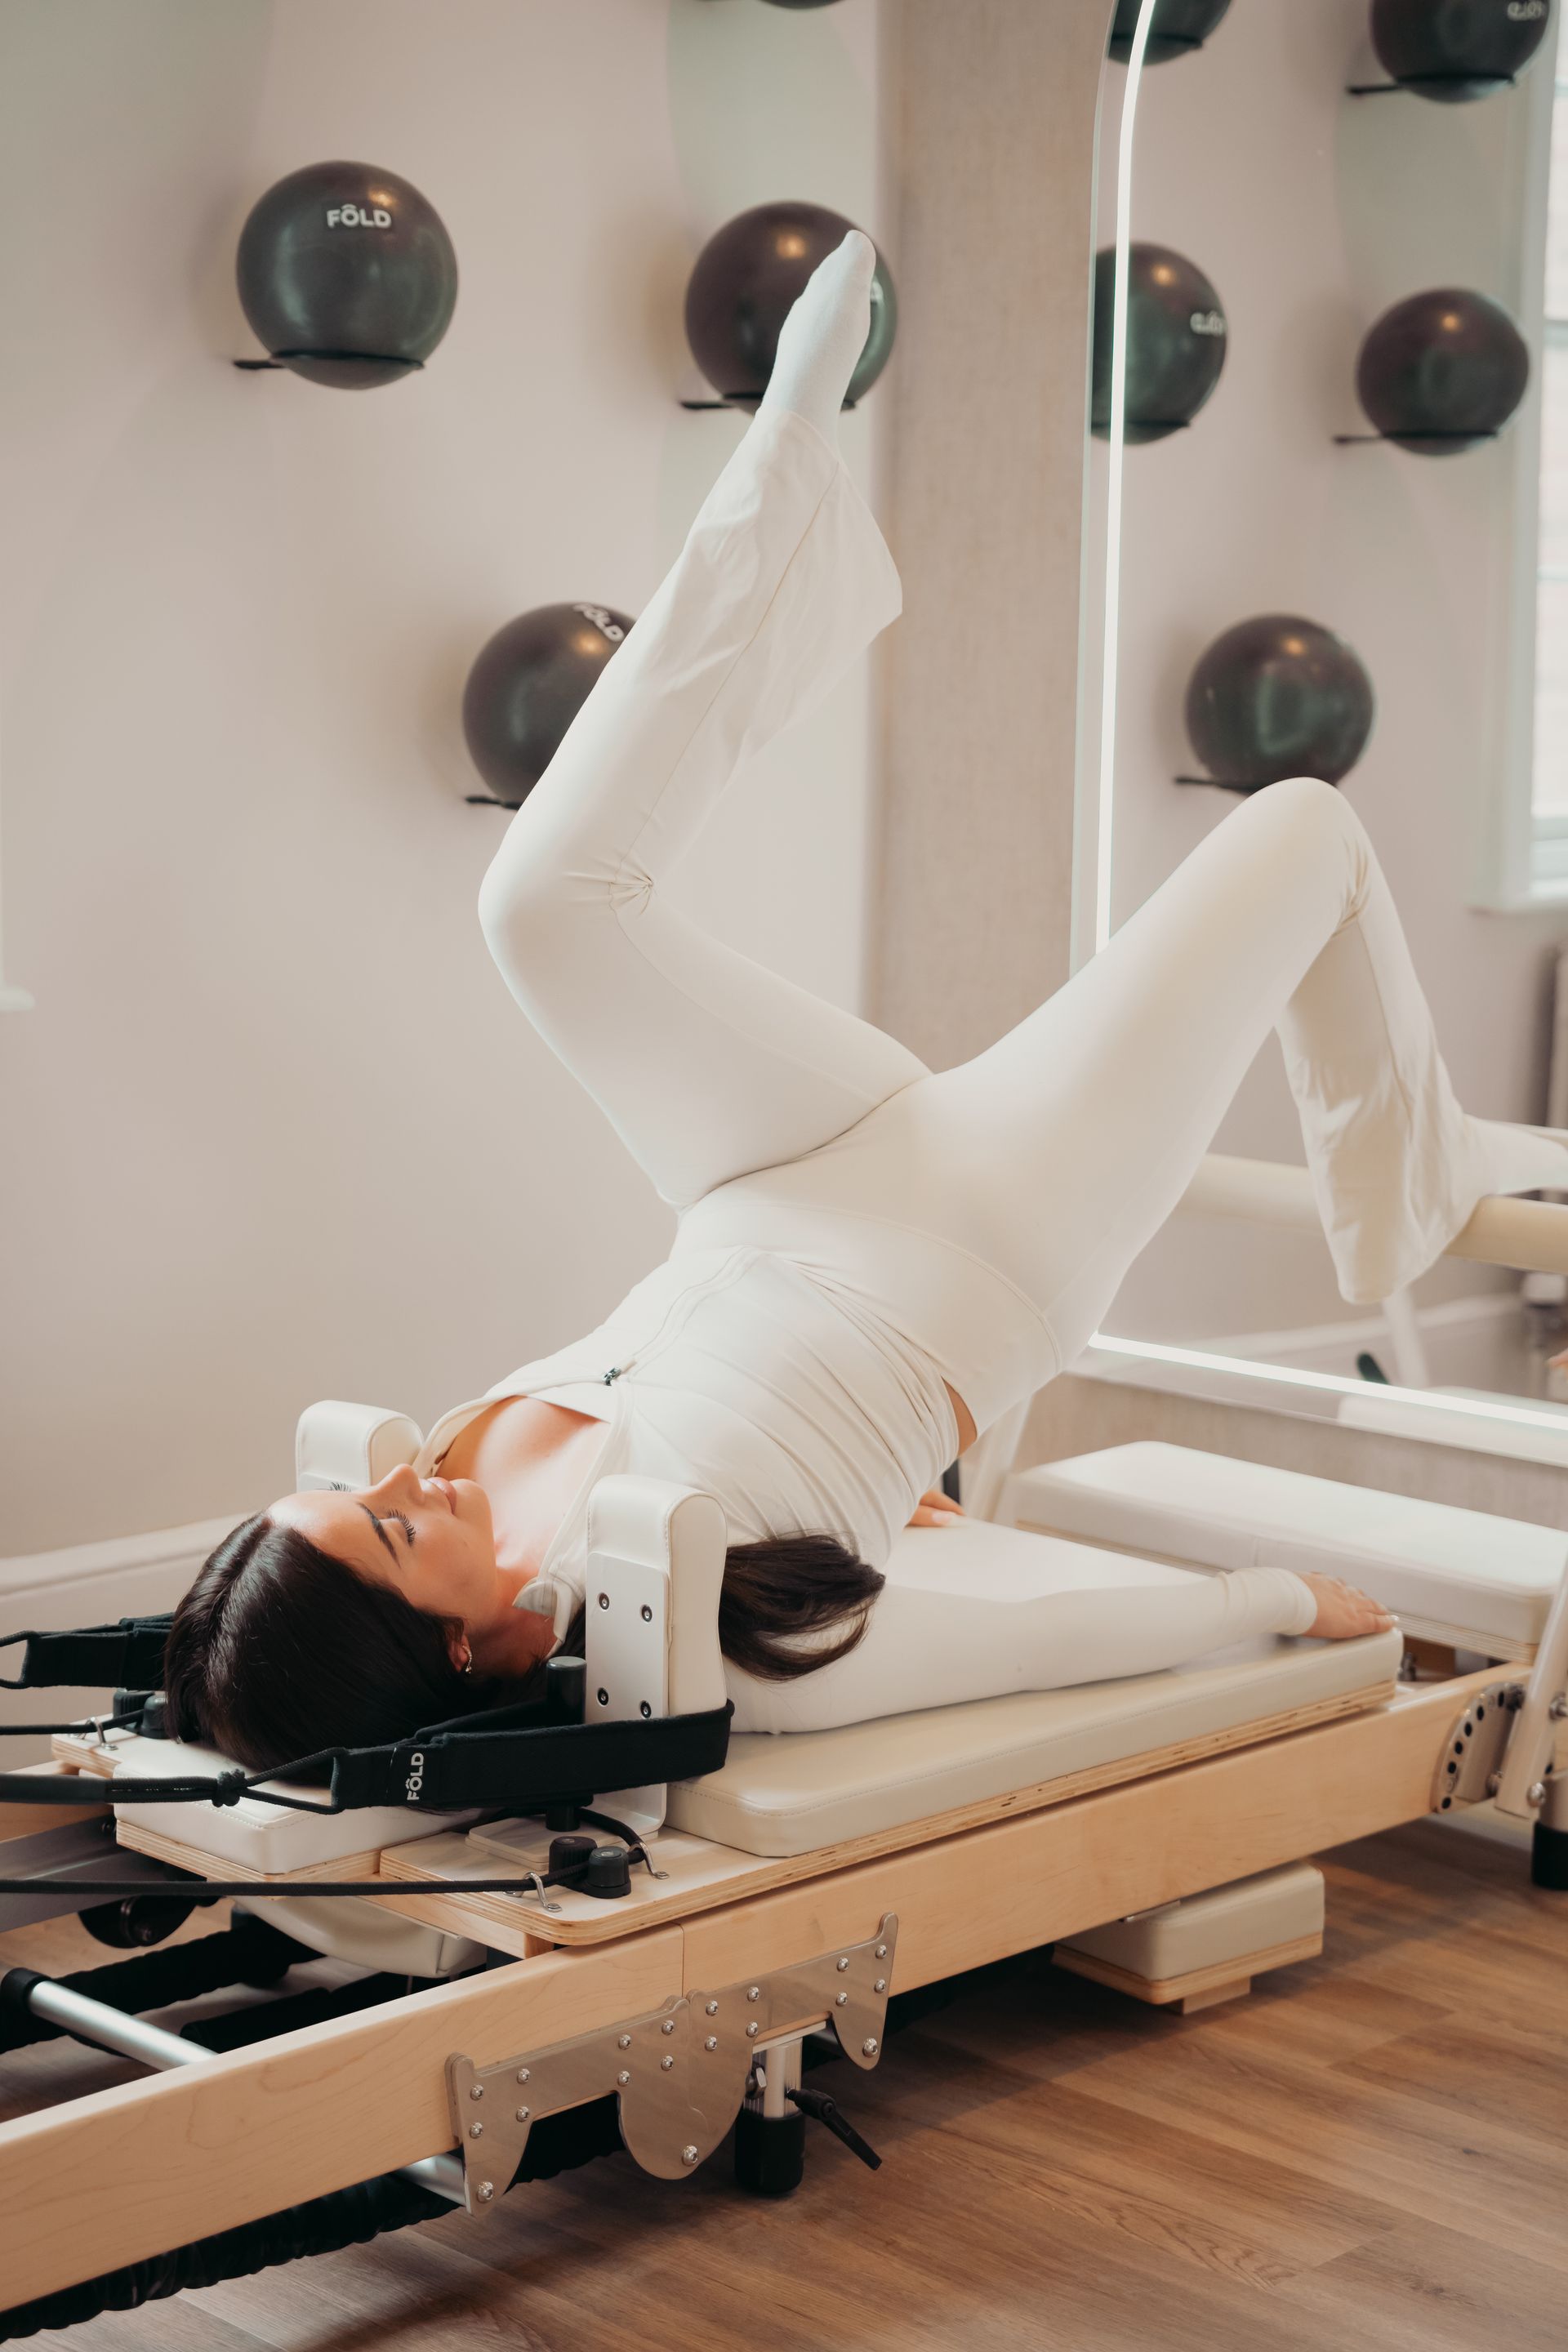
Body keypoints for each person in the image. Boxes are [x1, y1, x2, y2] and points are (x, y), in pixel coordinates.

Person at [164, 235, 1568, 1766]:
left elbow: (725, 1403)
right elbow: (1026, 1641)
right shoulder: (709, 1637)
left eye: (363, 1493)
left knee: (541, 906)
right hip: (973, 1239)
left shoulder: (460, 1485)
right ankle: (1411, 1202)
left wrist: (850, 1476)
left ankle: (791, 457)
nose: (404, 1481)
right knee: (1303, 827)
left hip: (757, 1176)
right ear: (447, 1642)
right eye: (384, 1528)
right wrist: (1278, 1604)